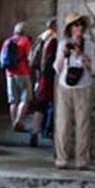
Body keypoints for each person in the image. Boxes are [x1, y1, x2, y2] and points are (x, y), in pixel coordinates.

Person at [53, 13, 95, 170]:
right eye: (75, 25)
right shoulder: (63, 44)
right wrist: (64, 55)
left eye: (81, 25)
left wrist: (82, 55)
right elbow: (57, 69)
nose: (79, 28)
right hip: (64, 87)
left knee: (83, 124)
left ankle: (82, 160)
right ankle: (62, 158)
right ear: (69, 28)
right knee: (62, 123)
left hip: (83, 87)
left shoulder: (90, 45)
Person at [28, 19, 58, 147]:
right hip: (50, 77)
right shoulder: (54, 40)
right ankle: (50, 131)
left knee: (40, 106)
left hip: (40, 75)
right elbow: (52, 61)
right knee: (53, 104)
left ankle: (35, 131)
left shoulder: (41, 37)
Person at [0, 22, 33, 131]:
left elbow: (1, 58)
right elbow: (30, 57)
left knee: (13, 100)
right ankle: (19, 121)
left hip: (9, 73)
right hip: (23, 72)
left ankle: (13, 122)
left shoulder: (7, 41)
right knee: (25, 98)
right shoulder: (25, 41)